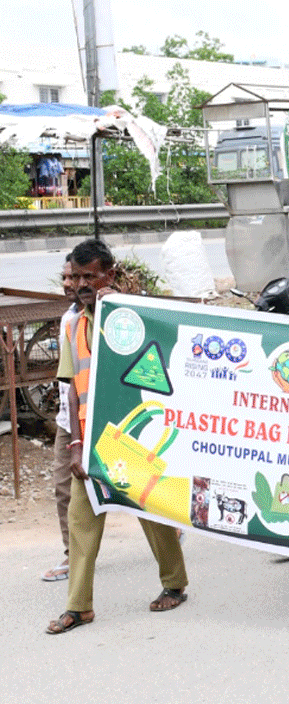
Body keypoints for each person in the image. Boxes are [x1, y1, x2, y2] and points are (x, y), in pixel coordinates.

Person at [46, 240, 189, 634]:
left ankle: (174, 583)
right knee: (81, 518)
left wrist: (122, 304)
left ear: (109, 274)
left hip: (131, 435)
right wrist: (76, 443)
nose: (81, 284)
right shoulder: (73, 323)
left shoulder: (132, 314)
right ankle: (78, 606)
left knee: (150, 511)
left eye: (90, 276)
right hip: (90, 436)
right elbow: (72, 388)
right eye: (77, 277)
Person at [43, 257, 78, 583]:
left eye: (77, 277)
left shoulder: (107, 316)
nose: (69, 283)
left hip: (102, 416)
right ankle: (72, 556)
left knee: (128, 483)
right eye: (66, 277)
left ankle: (167, 528)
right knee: (63, 487)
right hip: (70, 419)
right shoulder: (69, 318)